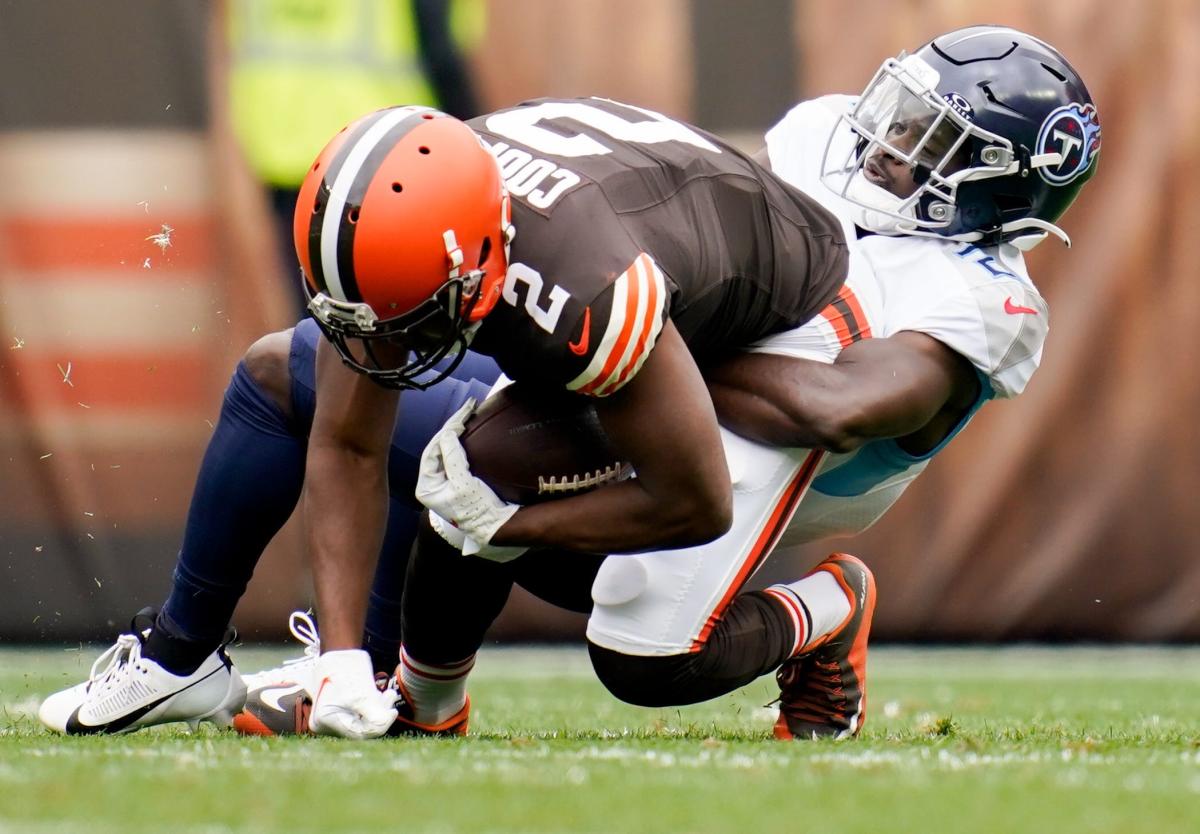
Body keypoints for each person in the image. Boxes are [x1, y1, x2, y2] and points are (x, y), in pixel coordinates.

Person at [231, 23, 1100, 741]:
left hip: (801, 463)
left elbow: (833, 408)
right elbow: (720, 239)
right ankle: (421, 705)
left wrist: (633, 341)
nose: (891, 146)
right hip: (717, 384)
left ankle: (829, 607)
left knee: (645, 660)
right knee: (476, 470)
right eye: (902, 116)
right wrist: (628, 339)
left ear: (1006, 184)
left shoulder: (983, 299)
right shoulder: (826, 136)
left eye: (934, 142)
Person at [38, 93, 849, 736]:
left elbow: (694, 500)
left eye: (406, 319)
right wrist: (341, 659)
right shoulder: (412, 221)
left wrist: (510, 523)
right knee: (282, 375)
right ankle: (194, 658)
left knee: (502, 495)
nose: (381, 351)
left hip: (773, 362)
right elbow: (352, 439)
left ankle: (826, 606)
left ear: (477, 267)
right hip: (632, 286)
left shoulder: (588, 289)